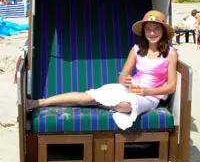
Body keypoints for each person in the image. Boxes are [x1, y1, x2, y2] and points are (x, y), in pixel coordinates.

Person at [27, 10, 178, 130]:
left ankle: (97, 103)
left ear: (163, 31)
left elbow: (171, 87)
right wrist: (124, 79)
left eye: (156, 29)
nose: (152, 33)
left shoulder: (170, 54)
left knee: (124, 107)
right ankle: (39, 103)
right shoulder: (137, 49)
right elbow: (123, 74)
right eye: (148, 29)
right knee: (87, 96)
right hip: (132, 89)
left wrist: (147, 92)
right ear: (144, 32)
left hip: (150, 97)